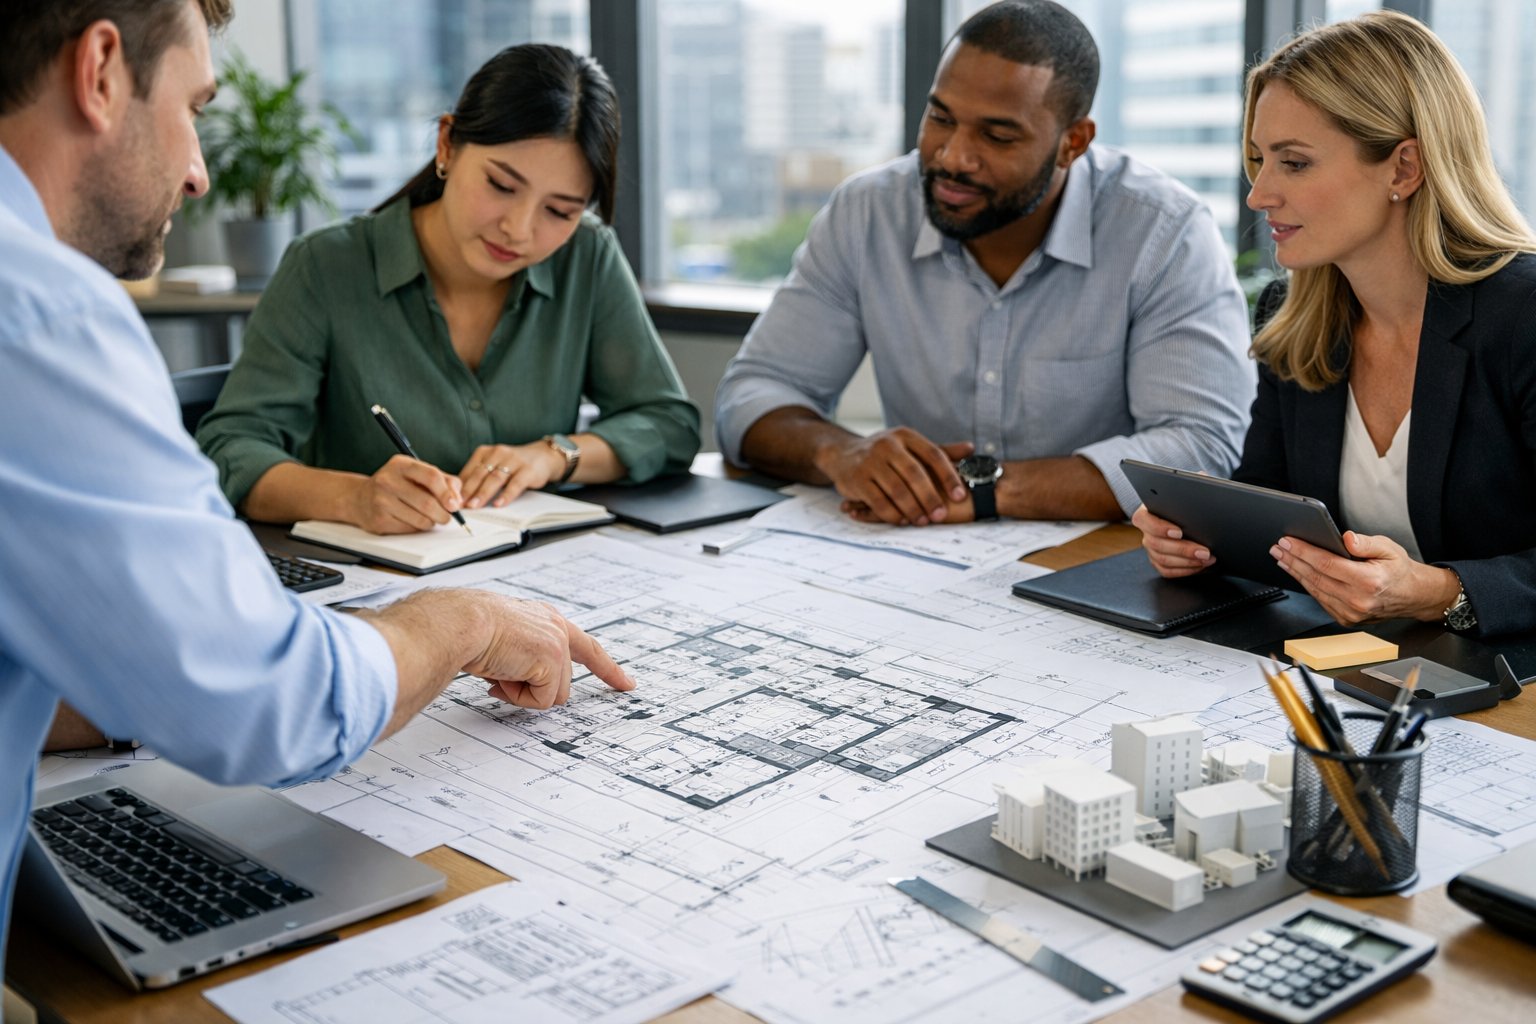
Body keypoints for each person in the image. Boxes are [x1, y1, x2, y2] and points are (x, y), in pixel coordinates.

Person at [0, 0, 635, 969]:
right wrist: (457, 622)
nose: (201, 169)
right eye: (197, 107)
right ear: (100, 71)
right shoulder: (40, 314)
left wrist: (135, 680)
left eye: (558, 208)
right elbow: (270, 703)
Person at [713, 0, 1253, 528]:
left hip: (1102, 566)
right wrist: (840, 453)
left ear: (1072, 143)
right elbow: (751, 396)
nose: (952, 156)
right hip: (911, 563)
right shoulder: (867, 211)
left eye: (996, 136)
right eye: (940, 119)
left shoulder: (1163, 231)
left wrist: (986, 490)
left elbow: (1201, 446)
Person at [1134, 10, 1536, 638]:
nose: (1258, 194)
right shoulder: (1295, 318)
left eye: (1293, 163)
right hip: (1352, 670)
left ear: (1403, 169)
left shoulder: (1524, 317)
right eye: (1259, 159)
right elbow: (1270, 510)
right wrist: (1197, 541)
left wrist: (1440, 592)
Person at [197, 44, 699, 535]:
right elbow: (232, 449)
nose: (519, 230)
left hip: (541, 576)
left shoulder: (586, 257)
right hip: (372, 586)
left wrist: (553, 457)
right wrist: (354, 498)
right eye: (501, 185)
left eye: (560, 211)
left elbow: (669, 424)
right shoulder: (326, 267)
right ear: (447, 145)